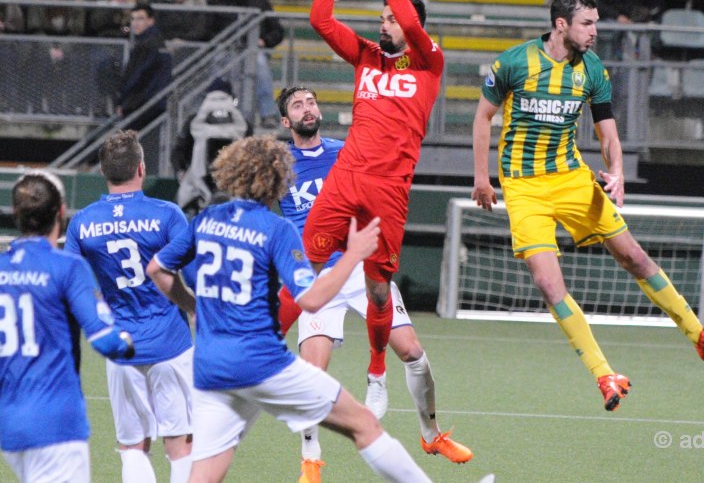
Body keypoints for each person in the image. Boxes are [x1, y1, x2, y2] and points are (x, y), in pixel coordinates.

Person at [471, 0, 704, 412]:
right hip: (524, 187)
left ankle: (699, 335)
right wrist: (482, 178)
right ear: (562, 25)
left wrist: (616, 172)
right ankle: (603, 374)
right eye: (587, 23)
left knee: (634, 257)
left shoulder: (592, 69)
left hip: (573, 178)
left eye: (596, 22)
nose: (595, 31)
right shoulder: (515, 62)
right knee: (547, 282)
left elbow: (607, 133)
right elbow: (483, 117)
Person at [145, 136, 437, 483]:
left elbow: (157, 269)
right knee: (364, 425)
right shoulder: (276, 228)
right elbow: (311, 299)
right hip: (261, 363)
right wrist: (354, 255)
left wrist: (194, 307)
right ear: (278, 178)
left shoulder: (206, 220)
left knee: (204, 476)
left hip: (211, 366)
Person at [274, 86, 473, 481]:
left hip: (360, 265)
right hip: (315, 275)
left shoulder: (345, 151)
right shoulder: (278, 164)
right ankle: (310, 459)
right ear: (286, 121)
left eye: (311, 101)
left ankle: (431, 435)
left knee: (413, 352)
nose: (308, 108)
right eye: (298, 105)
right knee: (314, 371)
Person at [305, 0, 444, 407]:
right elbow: (320, 21)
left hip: (388, 188)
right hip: (346, 176)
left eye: (391, 18)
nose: (383, 23)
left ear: (411, 27)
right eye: (382, 17)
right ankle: (257, 350)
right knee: (306, 262)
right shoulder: (366, 57)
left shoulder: (429, 63)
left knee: (379, 291)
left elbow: (407, 11)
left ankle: (377, 371)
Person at [64, 130, 193, 483]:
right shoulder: (167, 214)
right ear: (142, 168)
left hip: (121, 345)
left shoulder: (83, 222)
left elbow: (74, 284)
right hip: (171, 342)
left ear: (104, 173)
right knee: (180, 443)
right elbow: (191, 273)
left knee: (134, 446)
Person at [0, 170, 135, 483]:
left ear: (15, 214)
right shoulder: (68, 267)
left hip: (9, 426)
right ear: (61, 212)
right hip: (56, 424)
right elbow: (106, 341)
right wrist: (125, 342)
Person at [206, 0, 284, 128]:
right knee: (217, 64)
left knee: (261, 66)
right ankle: (216, 109)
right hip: (226, 48)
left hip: (252, 50)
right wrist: (220, 40)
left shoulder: (260, 1)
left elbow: (277, 30)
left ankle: (267, 114)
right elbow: (207, 27)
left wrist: (264, 41)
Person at [172, 78, 252, 215]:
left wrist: (181, 170)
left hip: (198, 193)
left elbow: (178, 152)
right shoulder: (243, 124)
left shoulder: (194, 121)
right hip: (233, 190)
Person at [26, 0, 86, 114]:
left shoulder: (76, 4)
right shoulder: (38, 2)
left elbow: (77, 31)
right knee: (38, 62)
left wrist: (62, 49)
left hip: (68, 47)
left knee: (76, 62)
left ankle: (70, 108)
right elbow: (35, 29)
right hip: (43, 46)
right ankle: (37, 107)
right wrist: (50, 49)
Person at [115, 3, 172, 130]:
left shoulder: (146, 45)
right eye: (133, 19)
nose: (135, 23)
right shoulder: (157, 41)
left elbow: (136, 76)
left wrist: (121, 100)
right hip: (152, 103)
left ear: (151, 21)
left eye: (140, 18)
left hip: (141, 104)